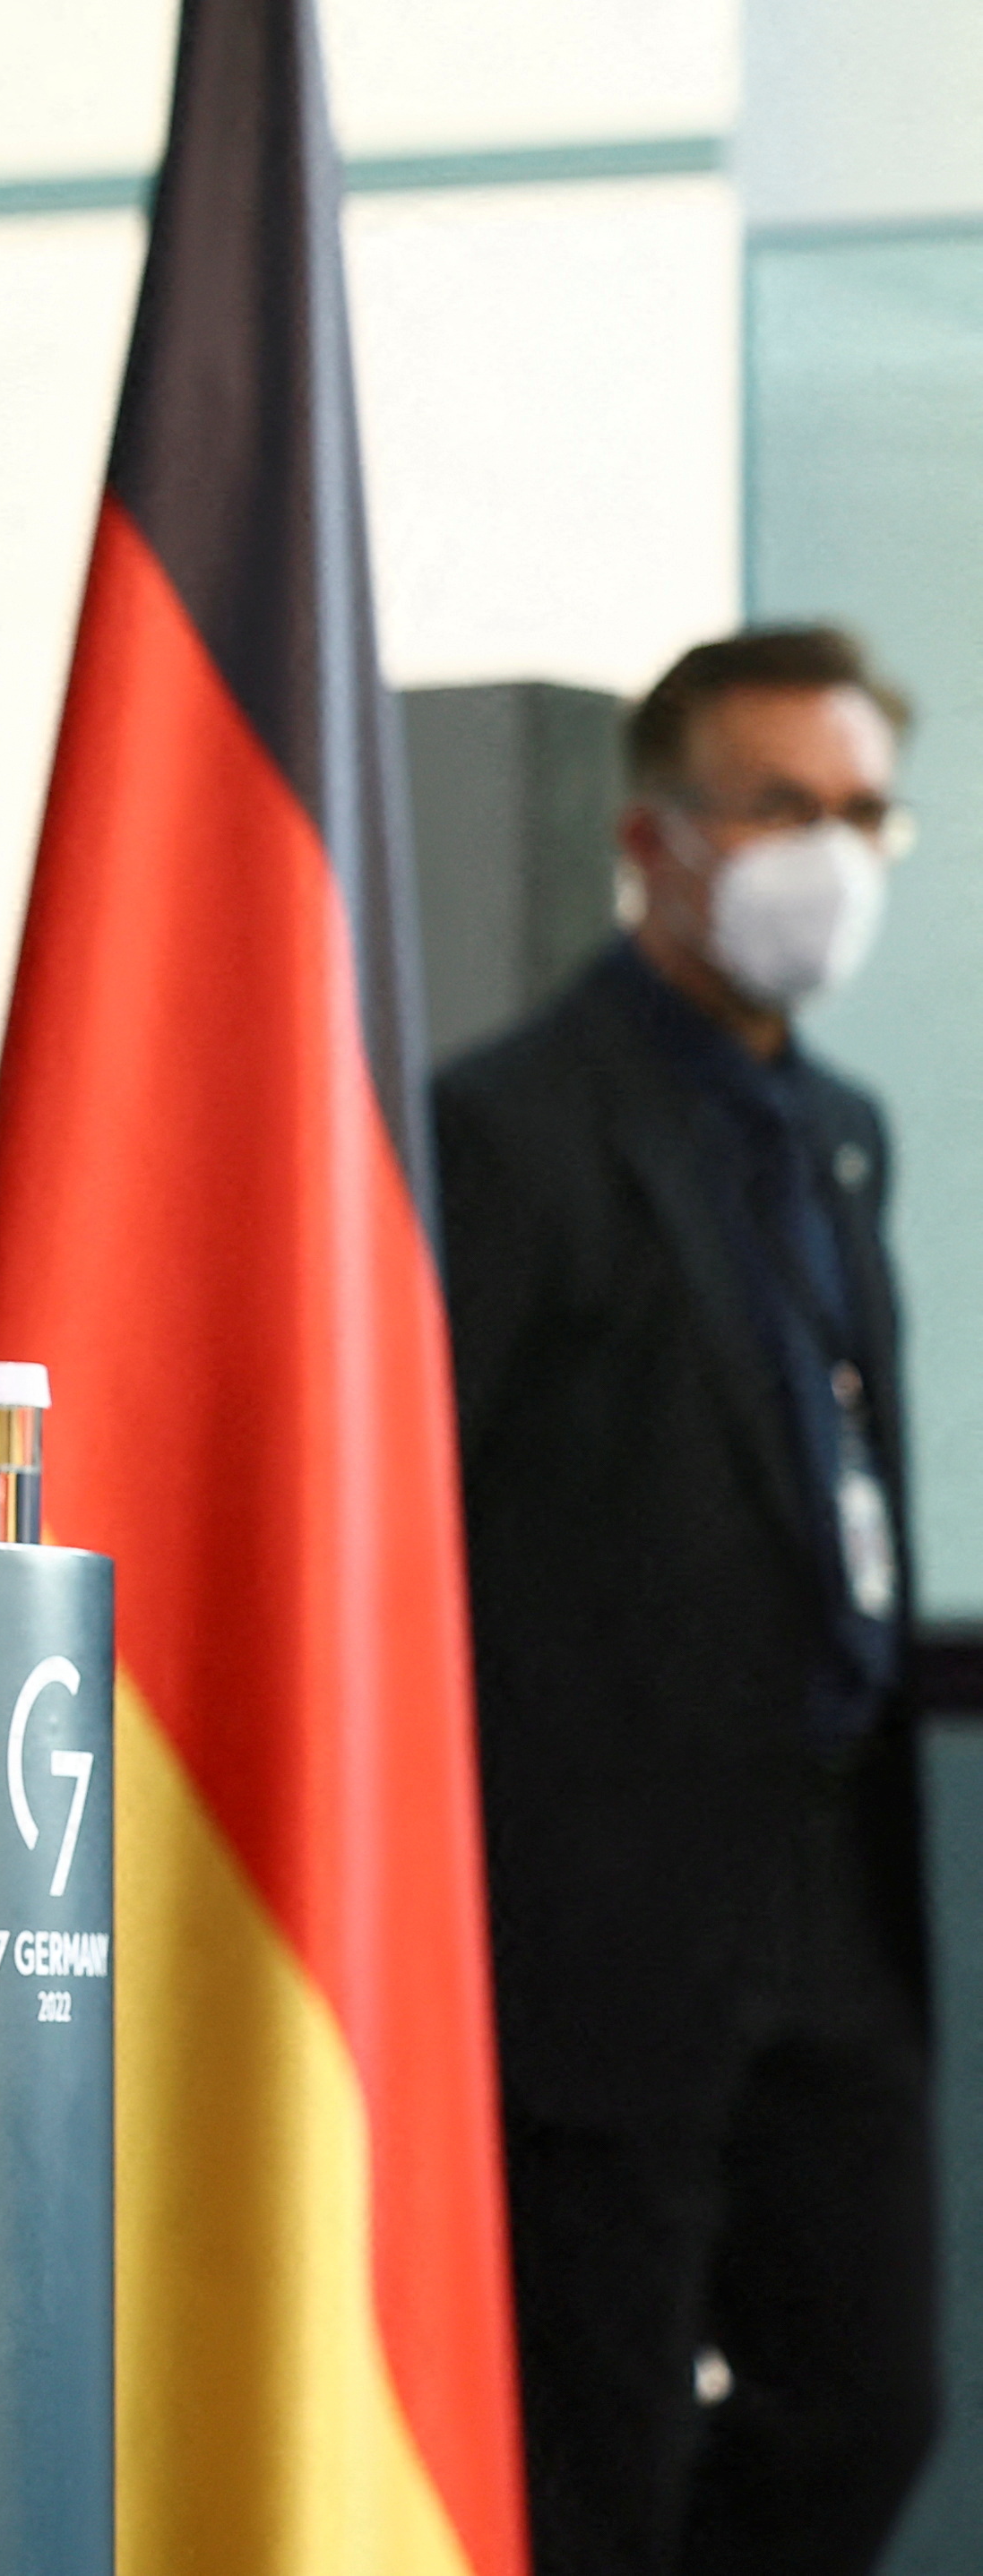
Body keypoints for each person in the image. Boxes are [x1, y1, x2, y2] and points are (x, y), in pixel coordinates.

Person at [439, 624, 936, 2575]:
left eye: (855, 808)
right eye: (777, 807)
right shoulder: (508, 1125)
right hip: (599, 1919)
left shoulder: (835, 1134)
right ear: (653, 839)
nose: (827, 852)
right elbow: (430, 1526)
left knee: (869, 2397)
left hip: (829, 1885)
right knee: (598, 2446)